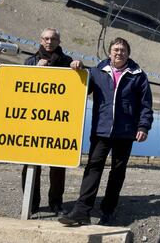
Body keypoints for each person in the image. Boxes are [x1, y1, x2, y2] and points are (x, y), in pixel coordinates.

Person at [59, 37, 154, 226]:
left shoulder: (138, 75)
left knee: (117, 172)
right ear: (109, 52)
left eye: (123, 50)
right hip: (101, 130)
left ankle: (108, 211)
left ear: (128, 53)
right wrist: (77, 70)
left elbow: (146, 104)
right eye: (116, 49)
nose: (119, 53)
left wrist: (143, 126)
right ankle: (81, 211)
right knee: (93, 169)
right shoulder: (96, 72)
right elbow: (81, 90)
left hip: (125, 132)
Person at [21, 27, 73, 215]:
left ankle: (56, 203)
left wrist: (77, 68)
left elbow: (76, 90)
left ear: (59, 41)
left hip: (58, 121)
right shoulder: (30, 62)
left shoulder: (68, 62)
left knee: (58, 166)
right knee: (30, 165)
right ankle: (31, 203)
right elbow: (21, 90)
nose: (49, 42)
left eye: (53, 39)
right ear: (40, 40)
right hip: (34, 120)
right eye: (46, 38)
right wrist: (37, 70)